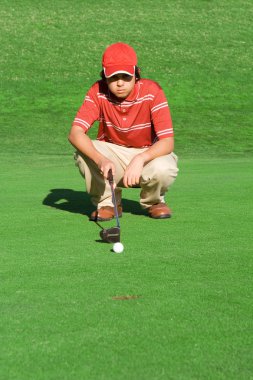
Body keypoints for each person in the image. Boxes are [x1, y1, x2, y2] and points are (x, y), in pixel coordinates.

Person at [68, 42, 178, 221]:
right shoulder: (98, 91)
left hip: (148, 153)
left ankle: (154, 202)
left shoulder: (153, 91)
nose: (120, 83)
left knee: (163, 166)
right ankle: (108, 203)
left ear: (136, 74)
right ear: (105, 77)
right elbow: (75, 133)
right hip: (113, 155)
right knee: (84, 152)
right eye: (113, 77)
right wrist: (100, 159)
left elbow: (167, 142)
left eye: (126, 76)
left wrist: (140, 158)